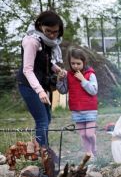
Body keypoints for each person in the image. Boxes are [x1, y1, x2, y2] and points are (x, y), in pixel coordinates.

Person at [16, 10, 65, 147]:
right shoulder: (32, 41)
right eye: (48, 31)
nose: (52, 34)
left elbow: (45, 61)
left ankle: (42, 149)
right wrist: (40, 91)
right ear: (39, 25)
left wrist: (57, 69)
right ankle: (43, 155)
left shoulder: (48, 42)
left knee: (47, 118)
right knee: (42, 120)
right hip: (28, 84)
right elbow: (28, 69)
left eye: (55, 32)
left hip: (40, 83)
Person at [56, 48, 98, 156]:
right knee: (83, 135)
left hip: (90, 110)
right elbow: (63, 90)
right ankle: (88, 153)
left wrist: (83, 79)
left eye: (78, 63)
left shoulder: (90, 74)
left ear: (84, 62)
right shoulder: (68, 75)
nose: (75, 66)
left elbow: (93, 91)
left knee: (89, 134)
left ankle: (94, 147)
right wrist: (60, 79)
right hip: (76, 110)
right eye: (73, 63)